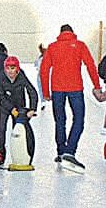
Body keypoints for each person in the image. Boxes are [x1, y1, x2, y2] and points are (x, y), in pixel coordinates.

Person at [39, 24, 100, 170]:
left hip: (57, 89)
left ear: (60, 33)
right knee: (79, 119)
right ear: (72, 32)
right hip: (75, 88)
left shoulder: (52, 47)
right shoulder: (80, 45)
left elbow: (44, 70)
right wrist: (97, 86)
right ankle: (70, 151)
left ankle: (61, 152)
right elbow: (90, 65)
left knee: (60, 121)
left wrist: (46, 93)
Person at [0, 56, 38, 166]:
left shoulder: (21, 76)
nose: (10, 71)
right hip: (5, 107)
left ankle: (18, 152)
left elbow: (32, 92)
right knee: (1, 129)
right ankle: (1, 152)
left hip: (19, 107)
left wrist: (32, 109)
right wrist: (11, 109)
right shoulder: (1, 76)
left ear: (17, 69)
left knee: (17, 131)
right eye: (7, 68)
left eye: (12, 68)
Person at [33, 43, 46, 110]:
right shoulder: (44, 58)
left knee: (41, 88)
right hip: (44, 74)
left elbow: (35, 64)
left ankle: (43, 101)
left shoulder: (40, 58)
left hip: (41, 74)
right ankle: (44, 100)